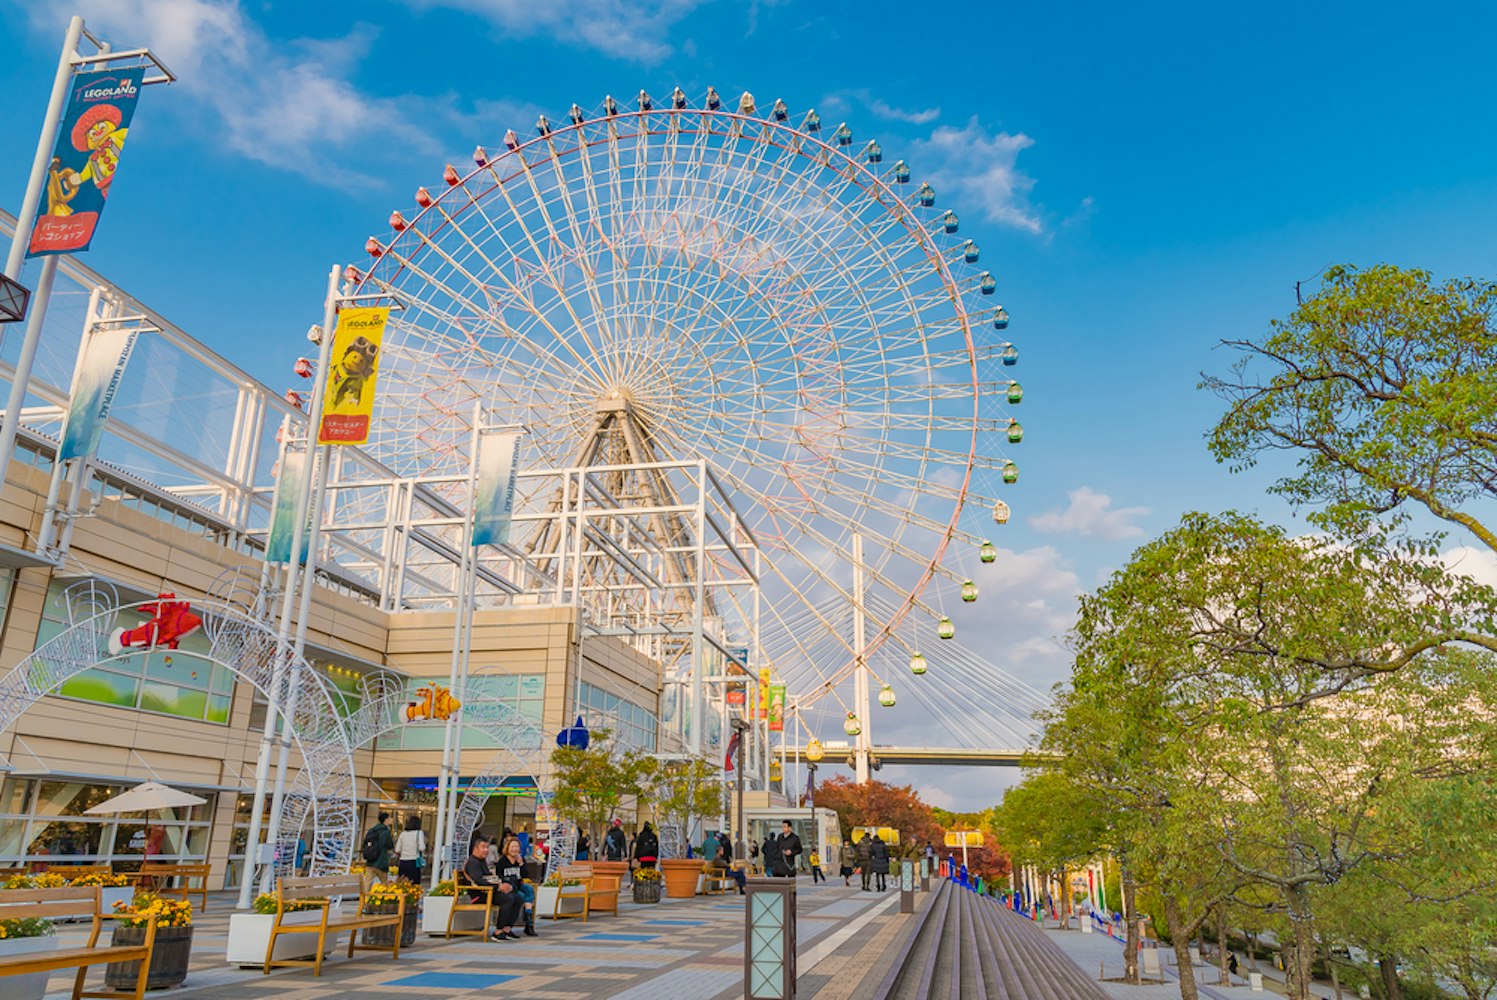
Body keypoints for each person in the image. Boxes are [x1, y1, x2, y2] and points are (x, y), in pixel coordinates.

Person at [463, 837, 524, 942]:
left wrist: (502, 885)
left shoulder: (482, 861)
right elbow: (479, 881)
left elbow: (489, 878)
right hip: (479, 895)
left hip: (489, 891)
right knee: (507, 899)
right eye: (483, 847)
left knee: (517, 898)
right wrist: (499, 887)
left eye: (487, 847)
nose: (486, 850)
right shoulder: (473, 862)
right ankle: (498, 931)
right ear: (475, 849)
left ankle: (507, 929)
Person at [499, 836, 537, 937]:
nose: (514, 849)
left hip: (518, 884)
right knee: (521, 896)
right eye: (512, 847)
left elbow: (525, 875)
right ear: (507, 848)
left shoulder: (520, 859)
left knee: (529, 889)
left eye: (516, 847)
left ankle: (528, 923)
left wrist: (521, 864)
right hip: (509, 887)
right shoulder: (502, 861)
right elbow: (499, 876)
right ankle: (528, 922)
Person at [360, 812, 396, 891]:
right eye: (390, 818)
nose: (391, 819)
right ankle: (384, 899)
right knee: (384, 883)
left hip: (370, 860)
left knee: (367, 883)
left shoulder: (372, 830)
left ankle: (364, 899)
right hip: (381, 862)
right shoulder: (386, 832)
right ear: (386, 820)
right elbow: (390, 845)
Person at [394, 815, 427, 883]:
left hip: (403, 862)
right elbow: (422, 847)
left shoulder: (403, 834)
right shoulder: (419, 833)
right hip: (414, 862)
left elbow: (397, 849)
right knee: (414, 884)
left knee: (402, 884)